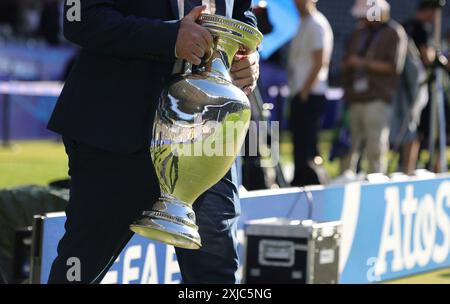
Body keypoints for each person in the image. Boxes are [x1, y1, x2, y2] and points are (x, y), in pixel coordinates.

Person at [46, 0, 259, 284]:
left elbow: (243, 15)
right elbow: (78, 18)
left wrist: (249, 55)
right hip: (116, 133)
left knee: (216, 276)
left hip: (209, 138)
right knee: (79, 270)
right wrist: (170, 38)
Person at [342, 0, 408, 174]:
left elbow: (393, 67)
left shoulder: (394, 32)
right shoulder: (359, 33)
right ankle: (344, 180)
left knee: (375, 146)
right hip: (356, 97)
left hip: (377, 98)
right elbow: (347, 59)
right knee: (349, 145)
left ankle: (376, 180)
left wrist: (363, 63)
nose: (363, 19)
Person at [287, 0, 333, 186]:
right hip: (301, 92)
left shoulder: (316, 23)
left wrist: (305, 91)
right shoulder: (302, 23)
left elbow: (320, 61)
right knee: (299, 141)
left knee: (307, 143)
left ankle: (310, 181)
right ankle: (300, 180)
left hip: (311, 93)